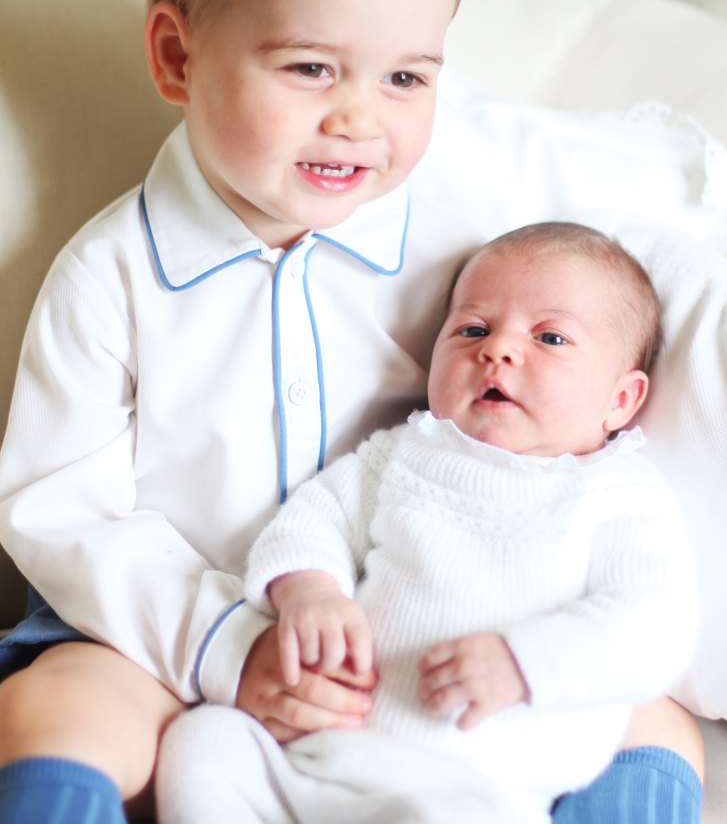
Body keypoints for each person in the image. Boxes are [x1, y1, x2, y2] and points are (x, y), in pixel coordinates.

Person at [0, 0, 702, 824]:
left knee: (651, 716)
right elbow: (64, 514)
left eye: (406, 77)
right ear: (176, 56)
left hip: (427, 627)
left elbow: (645, 179)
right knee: (54, 709)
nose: (360, 118)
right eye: (309, 69)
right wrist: (229, 645)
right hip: (161, 634)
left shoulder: (467, 212)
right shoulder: (112, 275)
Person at [154, 221, 699, 824]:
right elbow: (315, 517)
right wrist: (309, 588)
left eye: (550, 337)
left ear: (620, 400)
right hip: (315, 759)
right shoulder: (405, 453)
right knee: (204, 741)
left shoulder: (616, 491)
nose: (498, 349)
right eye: (472, 329)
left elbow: (656, 624)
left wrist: (525, 663)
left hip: (475, 790)